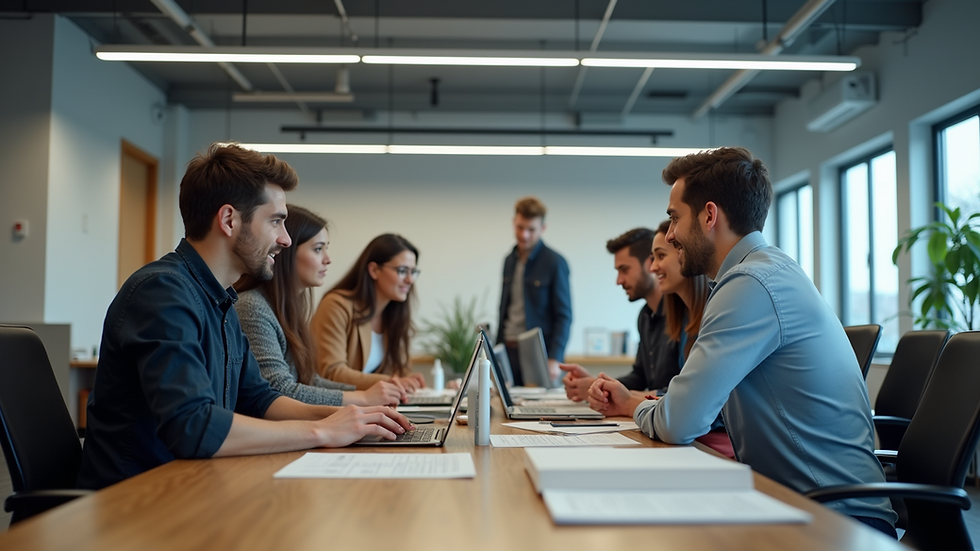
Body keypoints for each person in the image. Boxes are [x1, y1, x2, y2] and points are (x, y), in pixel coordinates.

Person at [588, 147, 897, 535]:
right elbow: (693, 409)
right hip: (803, 503)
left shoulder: (750, 285)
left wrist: (637, 409)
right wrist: (643, 404)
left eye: (674, 219)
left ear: (709, 215)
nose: (670, 235)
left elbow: (680, 422)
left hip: (834, 520)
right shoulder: (764, 272)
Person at [77, 143, 411, 490]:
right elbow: (194, 426)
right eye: (276, 222)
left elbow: (259, 398)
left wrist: (351, 418)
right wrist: (323, 430)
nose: (284, 239)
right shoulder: (162, 292)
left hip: (190, 487)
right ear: (229, 220)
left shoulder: (220, 299)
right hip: (135, 502)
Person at [234, 205, 407, 407]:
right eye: (318, 249)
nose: (328, 259)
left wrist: (371, 394)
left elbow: (309, 380)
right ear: (286, 251)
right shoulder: (252, 307)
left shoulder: (289, 309)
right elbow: (279, 390)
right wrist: (363, 398)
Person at [560, 228, 679, 401]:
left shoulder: (683, 314)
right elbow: (639, 378)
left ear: (650, 264)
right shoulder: (645, 316)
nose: (619, 280)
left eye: (624, 270)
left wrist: (600, 387)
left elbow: (680, 395)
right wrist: (597, 384)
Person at [311, 234, 426, 391]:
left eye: (413, 272)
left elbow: (399, 374)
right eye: (402, 271)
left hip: (373, 407)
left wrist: (412, 382)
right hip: (336, 408)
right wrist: (392, 381)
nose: (410, 280)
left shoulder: (394, 316)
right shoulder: (336, 305)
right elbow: (332, 372)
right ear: (374, 270)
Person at [496, 196, 572, 386]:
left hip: (539, 356)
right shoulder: (509, 260)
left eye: (531, 229)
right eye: (520, 227)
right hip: (508, 351)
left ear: (542, 229)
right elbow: (503, 309)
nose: (524, 235)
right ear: (514, 223)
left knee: (540, 410)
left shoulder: (555, 262)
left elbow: (564, 316)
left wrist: (555, 357)